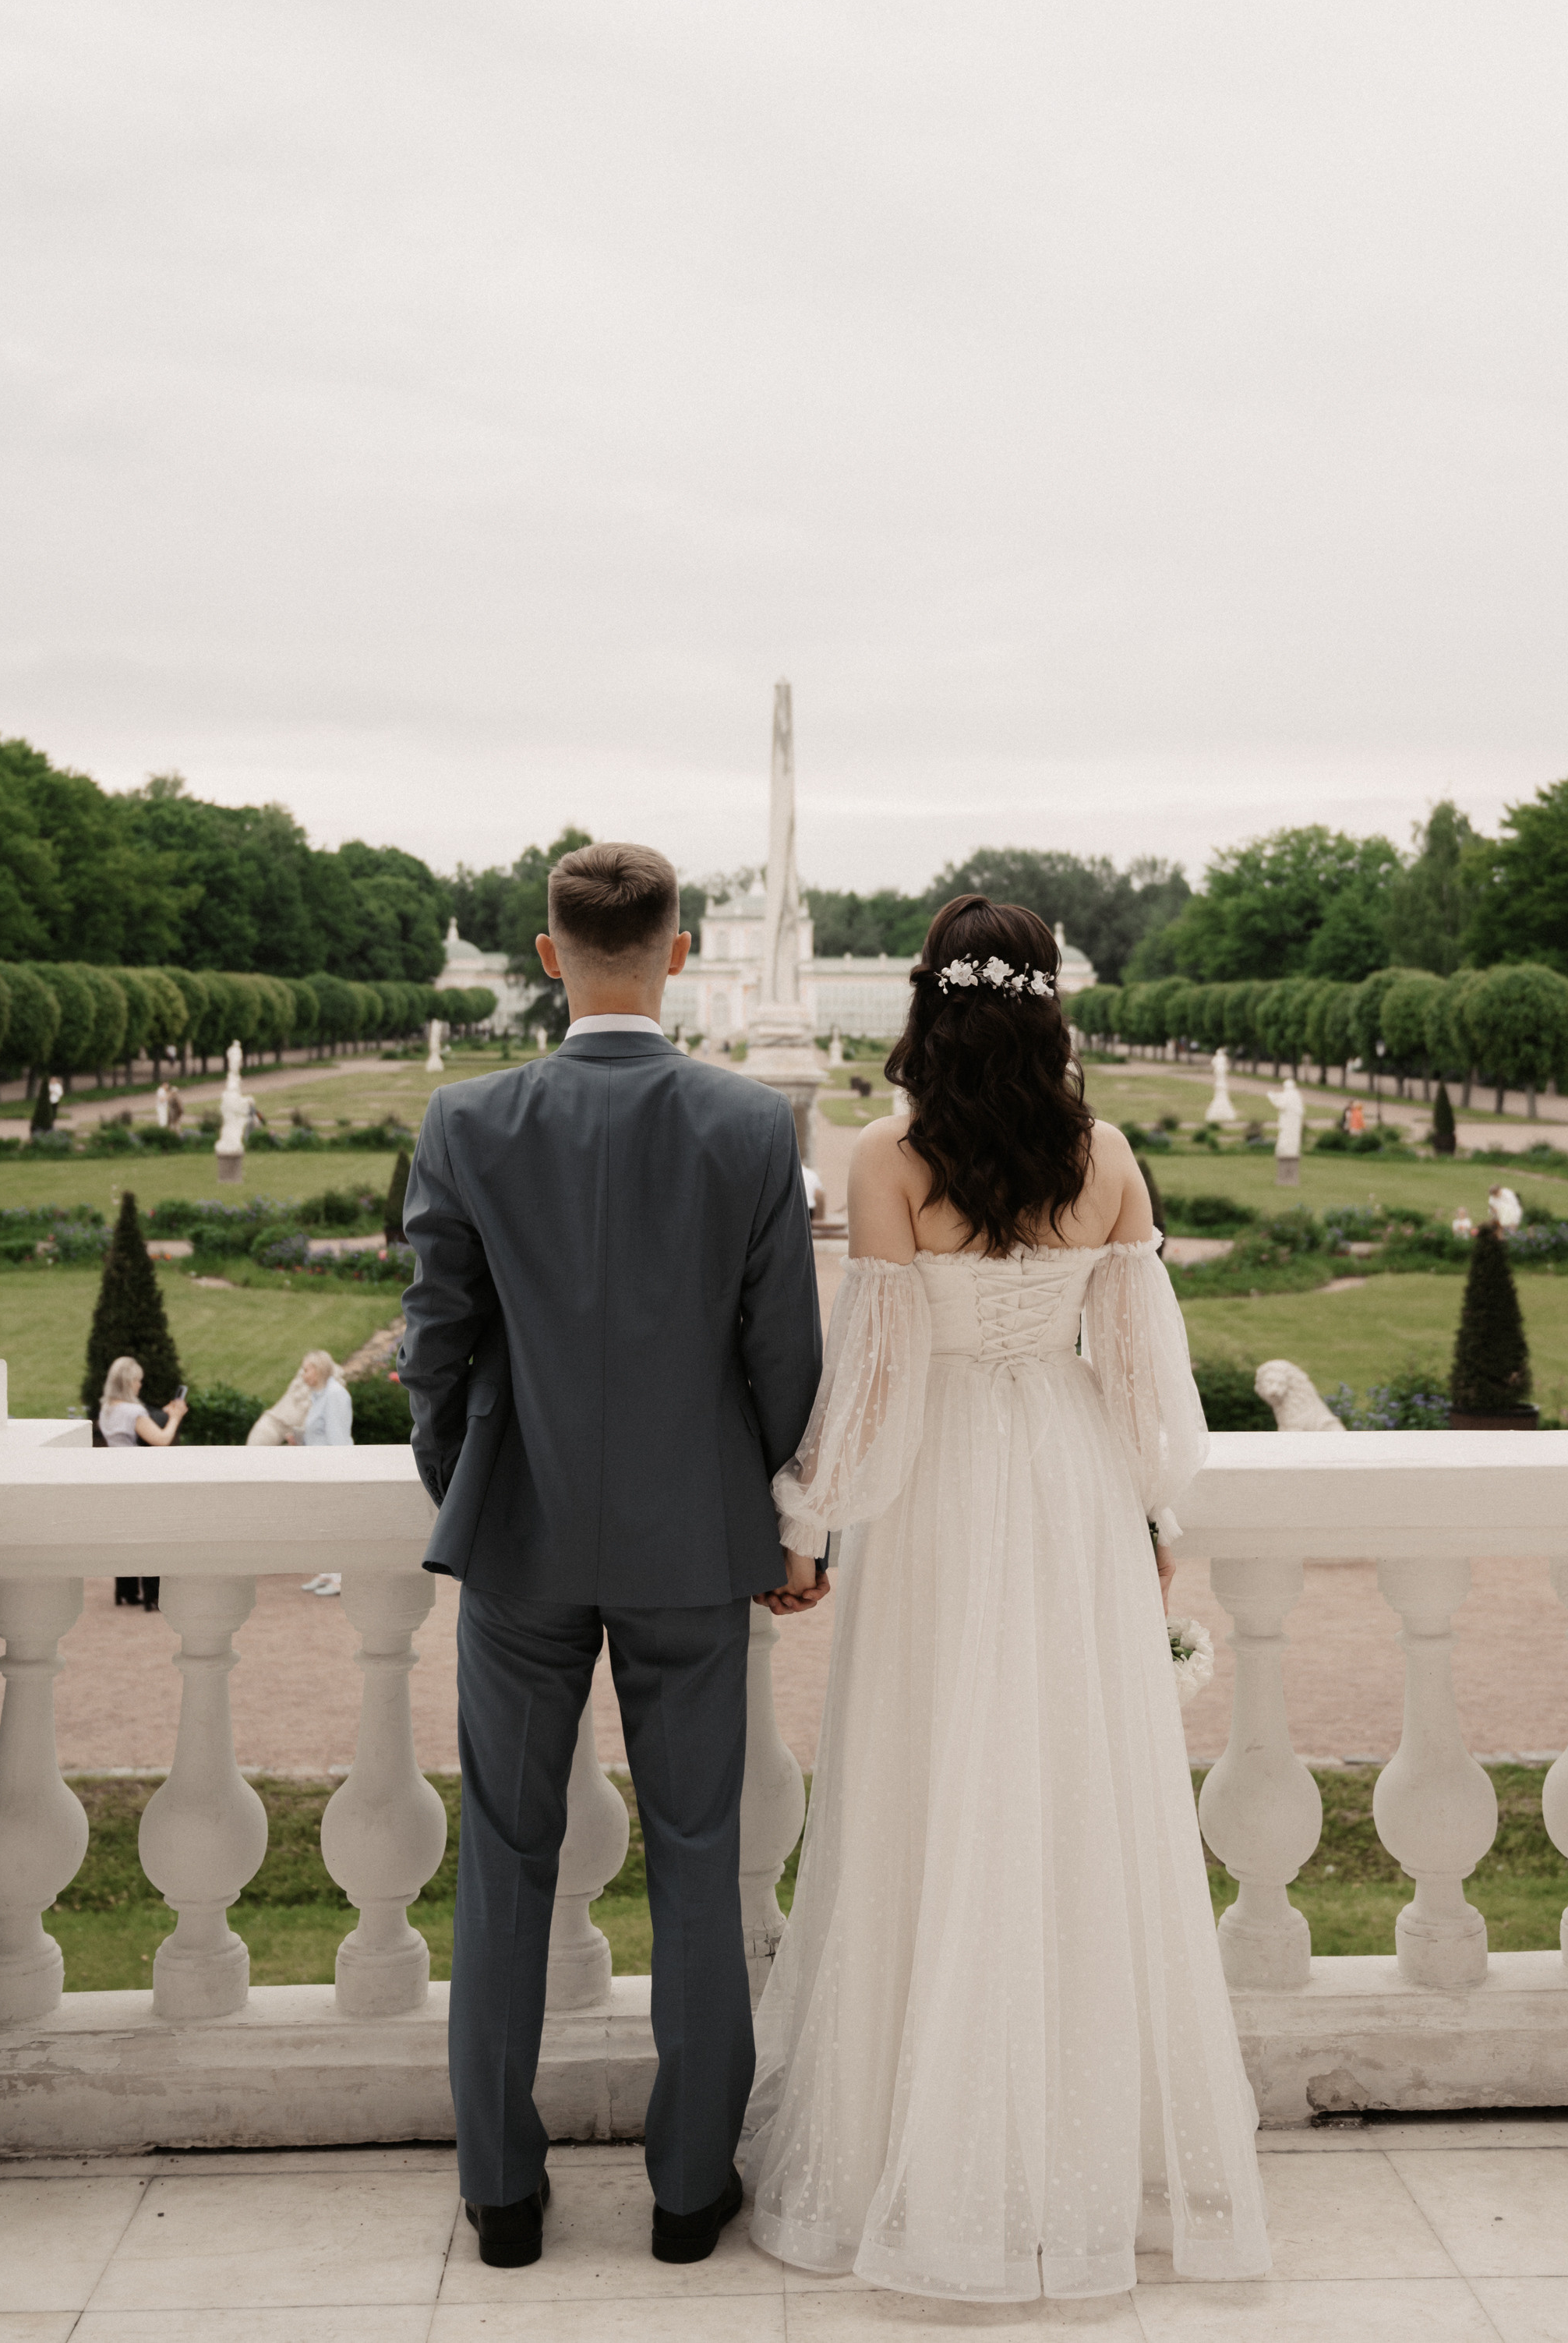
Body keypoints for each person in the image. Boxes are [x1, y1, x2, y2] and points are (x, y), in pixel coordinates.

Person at [743, 896, 1269, 2299]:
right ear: (1048, 1005)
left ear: (927, 1005)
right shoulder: (1106, 1159)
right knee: (1072, 1798)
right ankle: (1082, 2155)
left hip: (941, 1500)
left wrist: (805, 1524)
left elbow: (872, 1377)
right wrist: (1147, 1515)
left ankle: (924, 2152)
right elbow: (1149, 1385)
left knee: (931, 1790)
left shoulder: (887, 1157)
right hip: (1072, 1488)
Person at [400, 840, 824, 2274]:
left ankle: (503, 2197)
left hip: (518, 1538)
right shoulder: (750, 1127)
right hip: (694, 1543)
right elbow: (785, 1360)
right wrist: (781, 1521)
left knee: (505, 1862)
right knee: (700, 1860)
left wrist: (468, 1494)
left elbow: (433, 1348)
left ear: (544, 955)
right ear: (682, 951)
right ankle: (688, 2193)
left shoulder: (467, 1120)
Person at [97, 1356, 188, 1613]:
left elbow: (142, 1425)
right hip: (139, 1479)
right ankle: (153, 1594)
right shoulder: (133, 1412)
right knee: (150, 1535)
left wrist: (163, 1413)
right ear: (128, 1383)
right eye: (137, 1381)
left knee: (125, 1535)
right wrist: (176, 1417)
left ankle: (125, 1591)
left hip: (117, 1479)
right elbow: (161, 1439)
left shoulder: (108, 1409)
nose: (140, 1385)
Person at [292, 1351, 353, 1597]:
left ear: (318, 1370)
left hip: (332, 1471)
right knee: (322, 1524)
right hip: (318, 1470)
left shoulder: (336, 1395)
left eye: (306, 1369)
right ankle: (326, 1572)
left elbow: (338, 1438)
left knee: (335, 1523)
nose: (303, 1374)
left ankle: (339, 1578)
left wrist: (336, 1475)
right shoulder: (319, 1396)